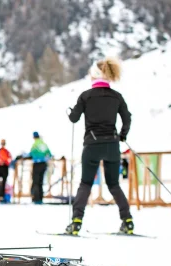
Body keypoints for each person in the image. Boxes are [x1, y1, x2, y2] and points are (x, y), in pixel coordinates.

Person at [66, 57, 133, 235]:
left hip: (92, 145)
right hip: (112, 145)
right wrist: (122, 136)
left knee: (85, 183)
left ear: (95, 76)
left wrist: (71, 112)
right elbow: (127, 118)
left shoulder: (86, 96)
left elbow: (74, 118)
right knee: (114, 185)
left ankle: (76, 222)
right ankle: (128, 221)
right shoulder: (117, 97)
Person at [29, 132, 52, 204]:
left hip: (37, 164)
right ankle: (40, 198)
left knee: (35, 182)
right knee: (40, 182)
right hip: (44, 164)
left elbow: (31, 154)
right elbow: (49, 154)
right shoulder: (44, 144)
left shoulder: (35, 144)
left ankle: (36, 198)